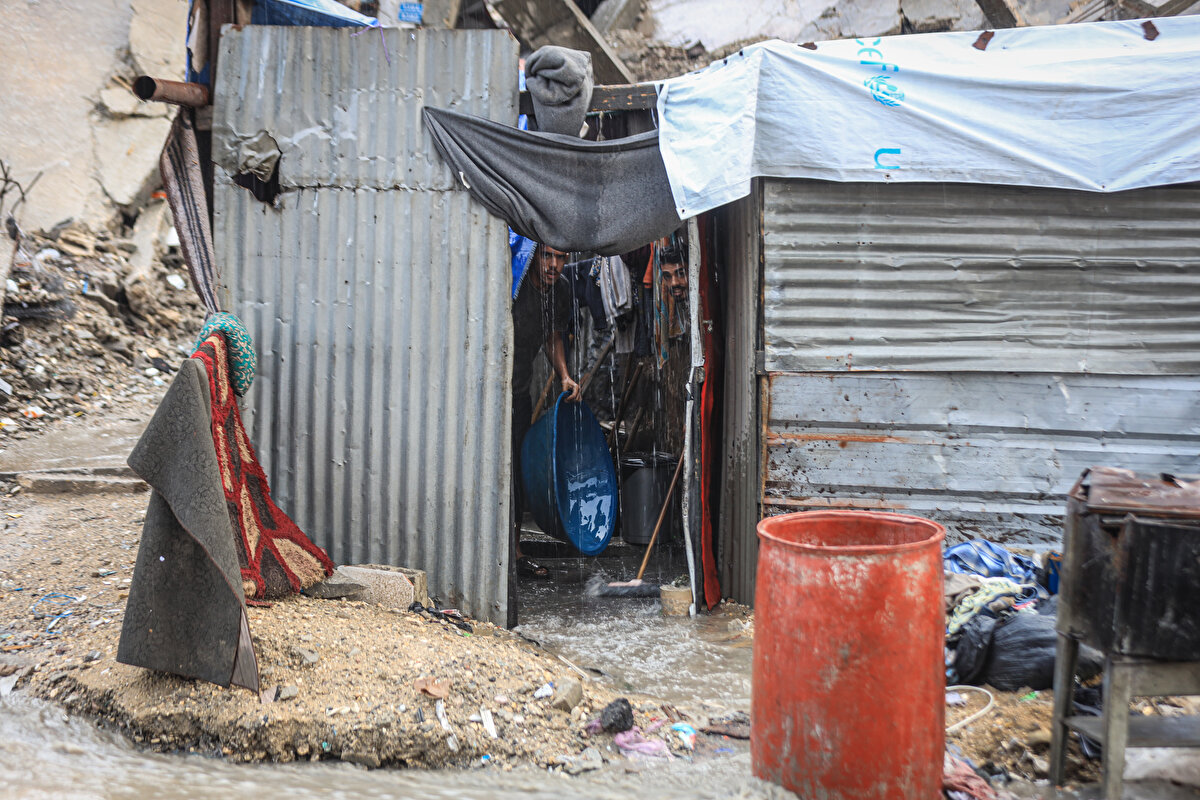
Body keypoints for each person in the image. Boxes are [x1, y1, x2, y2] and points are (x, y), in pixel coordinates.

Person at [511, 243, 581, 579]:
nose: (554, 265)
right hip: (487, 389)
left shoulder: (562, 290)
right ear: (535, 254)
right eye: (548, 256)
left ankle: (514, 551)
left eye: (561, 257)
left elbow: (553, 336)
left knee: (515, 469)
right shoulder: (515, 277)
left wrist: (565, 375)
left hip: (518, 389)